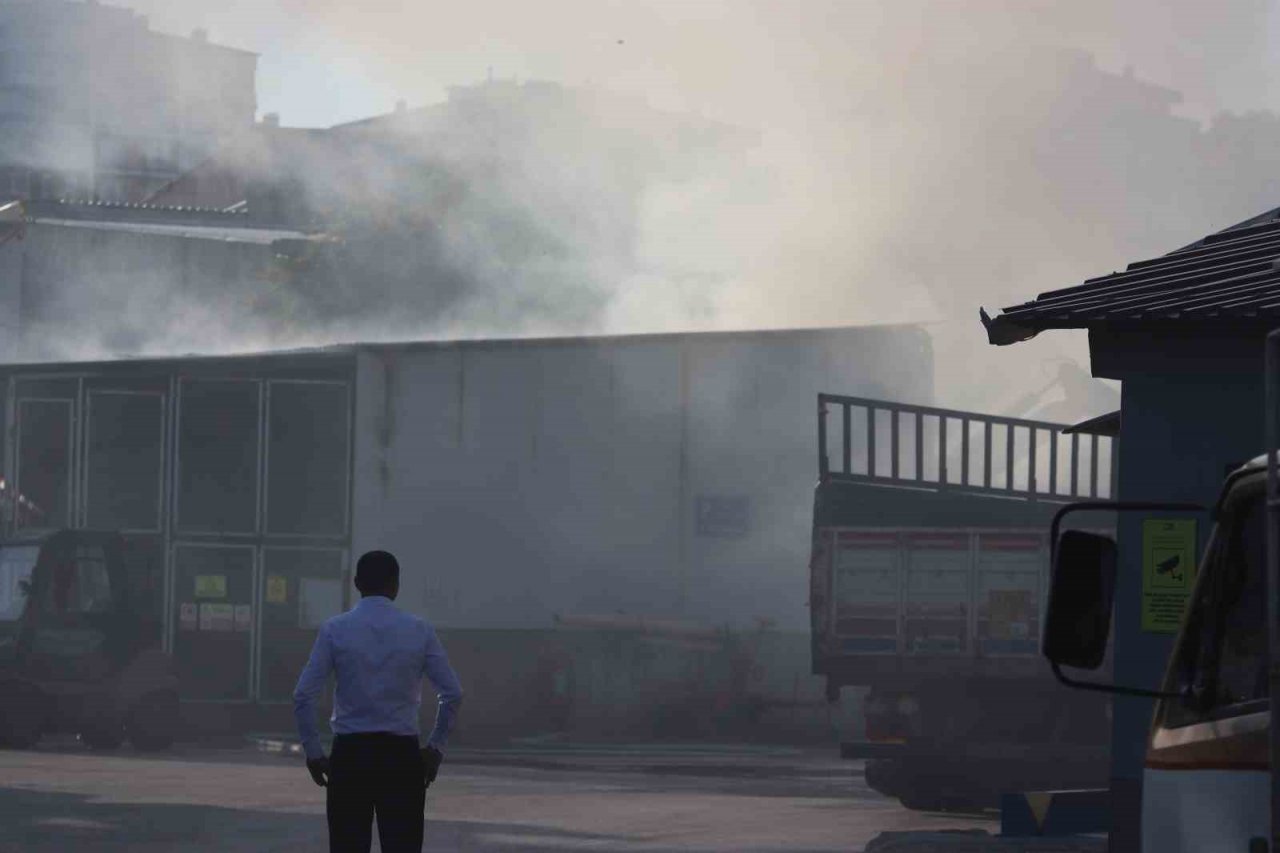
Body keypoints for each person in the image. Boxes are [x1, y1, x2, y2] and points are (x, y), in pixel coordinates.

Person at [293, 550, 463, 853]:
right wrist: (435, 748)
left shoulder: (334, 629)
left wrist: (314, 752)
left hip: (350, 756)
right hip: (400, 758)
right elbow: (452, 693)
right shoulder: (419, 630)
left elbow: (303, 695)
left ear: (357, 583)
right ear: (396, 586)